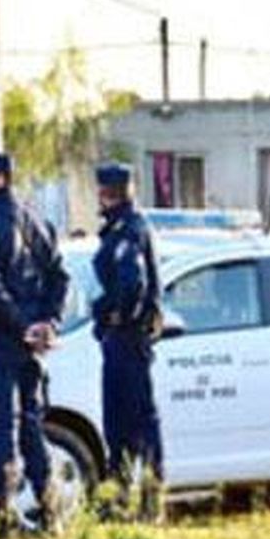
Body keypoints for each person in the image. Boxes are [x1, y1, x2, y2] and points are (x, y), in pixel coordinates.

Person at [0, 151, 69, 534]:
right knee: (32, 430)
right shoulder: (36, 218)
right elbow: (60, 278)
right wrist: (47, 323)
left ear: (0, 178)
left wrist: (27, 325)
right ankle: (50, 513)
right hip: (29, 348)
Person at [91, 162, 164, 519]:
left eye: (102, 191)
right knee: (118, 424)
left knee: (137, 421)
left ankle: (150, 501)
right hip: (121, 339)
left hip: (129, 338)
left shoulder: (129, 230)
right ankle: (117, 499)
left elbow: (133, 283)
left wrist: (117, 315)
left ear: (110, 193)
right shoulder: (119, 228)